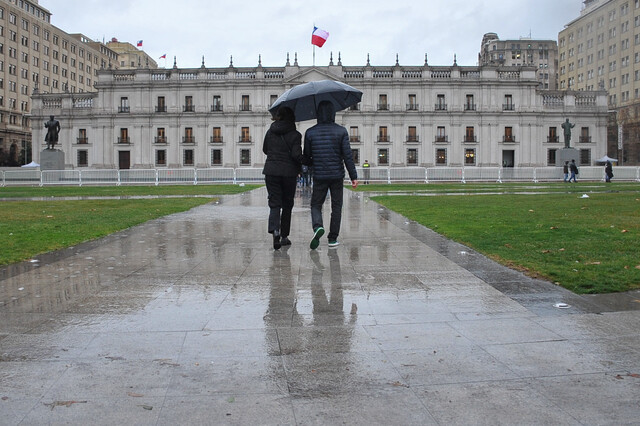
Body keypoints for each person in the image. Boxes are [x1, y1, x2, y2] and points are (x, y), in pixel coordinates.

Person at [304, 101, 358, 249]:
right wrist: (354, 176)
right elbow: (348, 156)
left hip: (320, 175)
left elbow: (307, 156)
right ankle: (332, 238)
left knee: (316, 205)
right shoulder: (341, 131)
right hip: (337, 175)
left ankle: (318, 227)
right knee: (336, 206)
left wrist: (311, 164)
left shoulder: (310, 132)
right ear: (333, 114)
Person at [262, 106, 302, 250]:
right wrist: (305, 160)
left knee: (274, 203)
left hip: (271, 171)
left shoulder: (270, 132)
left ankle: (275, 231)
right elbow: (297, 155)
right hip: (288, 173)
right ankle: (284, 236)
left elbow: (265, 149)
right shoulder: (296, 135)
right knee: (287, 204)